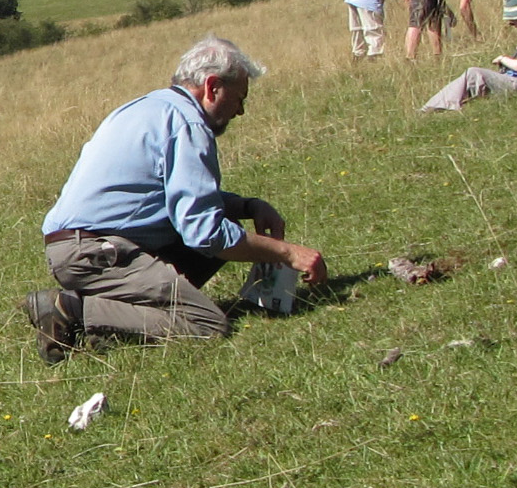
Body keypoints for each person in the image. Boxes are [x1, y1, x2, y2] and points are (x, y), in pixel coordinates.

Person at [22, 37, 328, 357]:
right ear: (212, 87)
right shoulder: (188, 124)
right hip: (95, 251)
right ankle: (73, 311)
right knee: (207, 325)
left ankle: (115, 320)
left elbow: (181, 198)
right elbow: (205, 232)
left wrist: (249, 206)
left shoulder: (151, 106)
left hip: (77, 246)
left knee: (223, 222)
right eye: (239, 98)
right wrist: (287, 253)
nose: (240, 111)